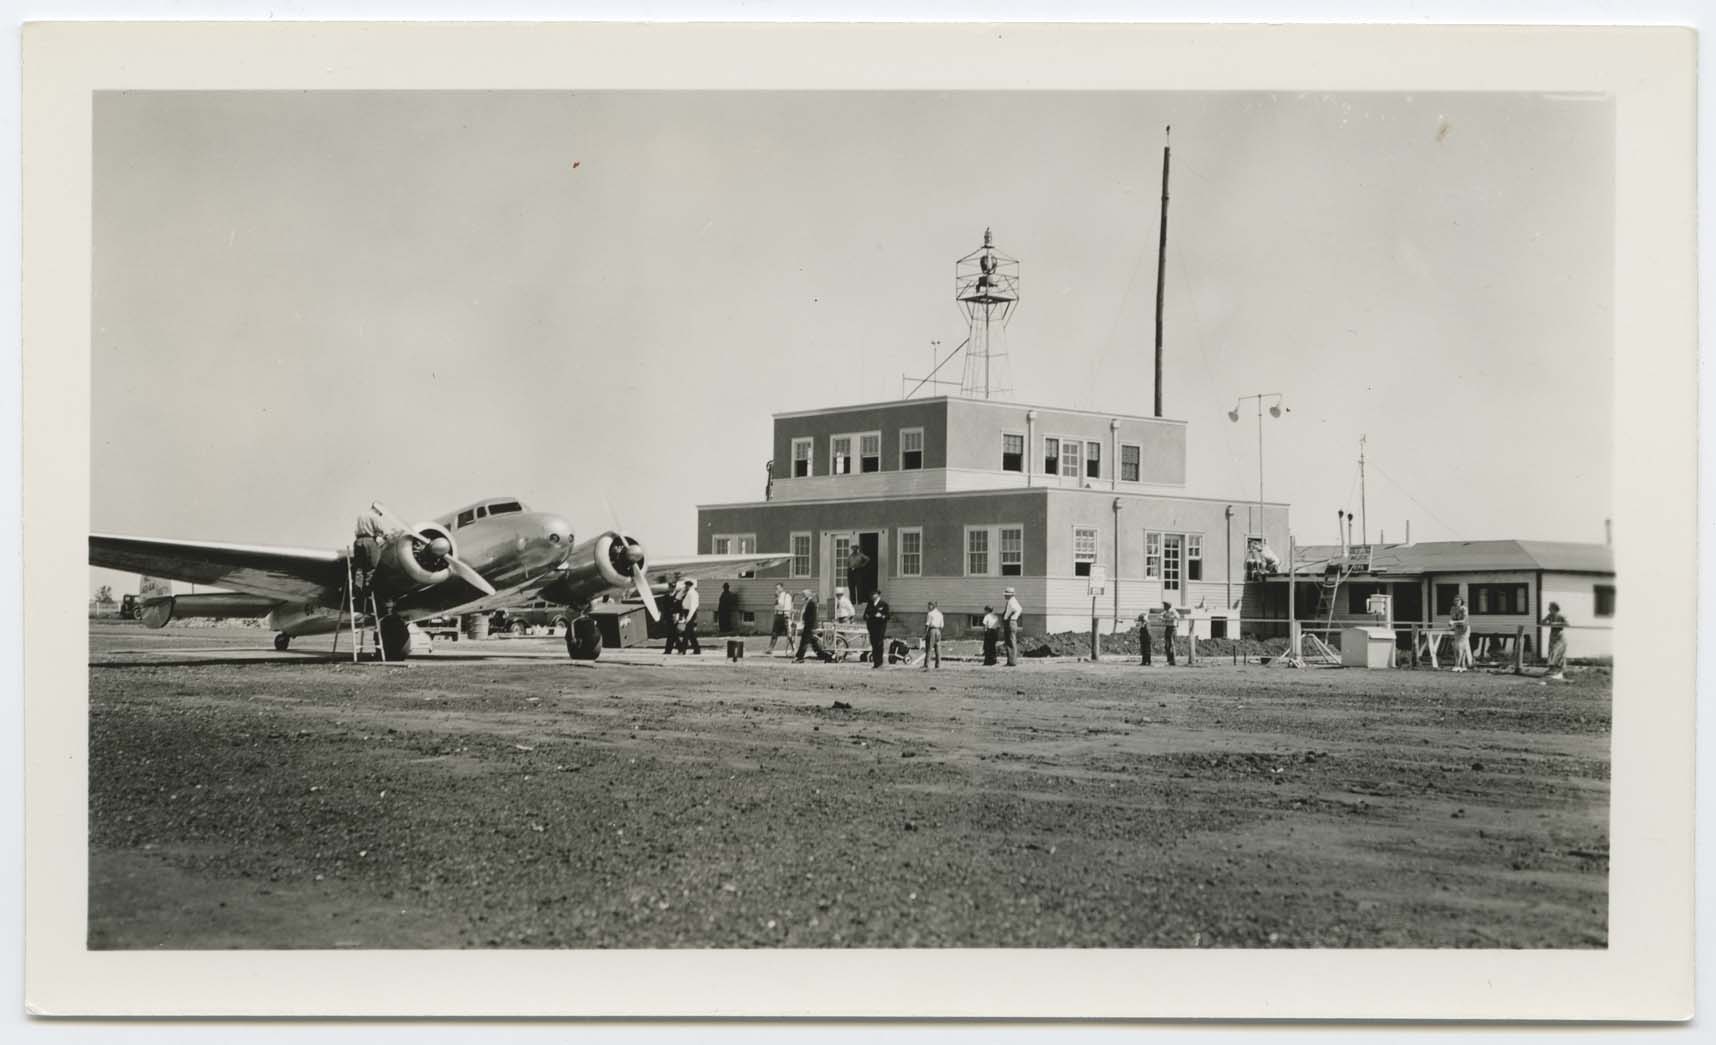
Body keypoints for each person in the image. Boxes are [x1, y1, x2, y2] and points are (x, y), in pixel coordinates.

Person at [794, 589, 833, 663]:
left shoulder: (812, 603)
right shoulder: (808, 602)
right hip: (808, 625)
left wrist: (810, 627)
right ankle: (826, 656)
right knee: (814, 645)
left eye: (803, 595)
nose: (802, 596)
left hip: (810, 626)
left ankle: (799, 658)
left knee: (804, 642)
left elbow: (813, 617)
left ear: (807, 595)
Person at [863, 590, 892, 669]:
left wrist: (882, 615)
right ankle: (875, 663)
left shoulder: (884, 604)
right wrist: (867, 617)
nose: (872, 596)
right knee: (874, 645)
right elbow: (865, 615)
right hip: (872, 628)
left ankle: (880, 663)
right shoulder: (870, 604)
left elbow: (888, 616)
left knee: (879, 644)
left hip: (880, 628)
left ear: (878, 595)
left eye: (874, 594)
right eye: (872, 594)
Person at [1541, 601, 1569, 681]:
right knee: (1551, 652)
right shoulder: (1550, 615)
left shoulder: (1561, 616)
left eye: (1550, 607)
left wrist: (1555, 623)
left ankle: (1559, 672)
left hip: (1560, 636)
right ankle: (1552, 670)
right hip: (1552, 636)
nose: (1549, 609)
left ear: (1554, 608)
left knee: (1559, 653)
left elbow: (1567, 624)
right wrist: (1547, 622)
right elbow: (1542, 622)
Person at [767, 583, 793, 656]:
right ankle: (770, 649)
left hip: (784, 616)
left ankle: (794, 648)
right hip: (778, 616)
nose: (777, 590)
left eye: (778, 588)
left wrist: (777, 600)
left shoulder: (786, 596)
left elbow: (784, 607)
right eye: (776, 588)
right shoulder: (777, 597)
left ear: (782, 588)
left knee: (788, 634)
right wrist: (776, 599)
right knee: (775, 633)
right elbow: (775, 606)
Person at [678, 578, 703, 655]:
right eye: (686, 585)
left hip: (690, 613)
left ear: (691, 585)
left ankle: (683, 649)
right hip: (686, 612)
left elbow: (692, 607)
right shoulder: (687, 592)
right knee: (691, 633)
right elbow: (678, 597)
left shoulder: (692, 593)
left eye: (688, 585)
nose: (686, 586)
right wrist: (682, 590)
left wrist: (688, 618)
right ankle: (697, 649)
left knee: (686, 633)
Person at [1449, 595, 1473, 672]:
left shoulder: (1464, 609)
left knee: (1461, 647)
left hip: (1464, 629)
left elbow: (1464, 621)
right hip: (1457, 629)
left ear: (1461, 601)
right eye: (1455, 600)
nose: (1456, 602)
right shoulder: (1453, 609)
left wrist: (1453, 622)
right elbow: (1452, 618)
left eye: (1458, 600)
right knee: (1457, 647)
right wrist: (1451, 623)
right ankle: (1462, 666)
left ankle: (1457, 665)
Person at [1001, 587, 1023, 667]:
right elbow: (1020, 609)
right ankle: (1011, 661)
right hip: (1011, 622)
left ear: (1010, 595)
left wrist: (1011, 617)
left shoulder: (1011, 601)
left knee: (1010, 641)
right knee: (1010, 641)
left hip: (1010, 622)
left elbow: (1016, 610)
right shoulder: (1012, 600)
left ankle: (1012, 661)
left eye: (1006, 595)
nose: (1005, 596)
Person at [662, 581, 685, 654]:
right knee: (671, 634)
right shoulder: (666, 596)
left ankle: (672, 649)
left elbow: (680, 607)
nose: (672, 588)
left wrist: (680, 616)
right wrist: (664, 617)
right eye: (671, 587)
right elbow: (664, 608)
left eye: (673, 587)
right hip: (669, 617)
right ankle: (672, 649)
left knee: (673, 634)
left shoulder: (678, 596)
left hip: (675, 616)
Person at [922, 601, 944, 671]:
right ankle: (938, 665)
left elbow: (927, 624)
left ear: (932, 606)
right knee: (937, 648)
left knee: (929, 647)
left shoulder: (930, 614)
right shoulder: (940, 614)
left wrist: (925, 633)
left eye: (929, 606)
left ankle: (926, 664)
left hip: (932, 630)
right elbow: (942, 625)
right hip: (938, 631)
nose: (928, 607)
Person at [1161, 601, 1180, 667]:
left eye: (1164, 605)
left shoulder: (1173, 611)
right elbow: (1162, 617)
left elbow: (1177, 617)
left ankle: (1173, 661)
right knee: (1167, 645)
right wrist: (1163, 618)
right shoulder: (1166, 612)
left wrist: (1168, 618)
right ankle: (1169, 660)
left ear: (1168, 606)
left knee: (1171, 644)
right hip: (1168, 627)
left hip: (1172, 628)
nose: (1163, 607)